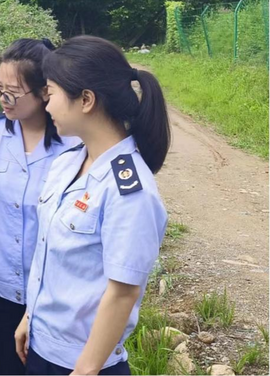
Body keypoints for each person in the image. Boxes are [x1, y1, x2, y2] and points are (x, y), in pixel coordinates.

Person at [14, 35, 171, 375]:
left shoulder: (130, 191)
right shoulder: (68, 162)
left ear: (85, 100)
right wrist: (31, 316)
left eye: (51, 92)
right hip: (42, 347)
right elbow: (52, 255)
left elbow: (123, 293)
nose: (47, 104)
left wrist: (85, 369)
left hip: (83, 365)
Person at [0, 38, 80, 375]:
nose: (3, 99)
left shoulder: (73, 146)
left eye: (12, 92)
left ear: (45, 92)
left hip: (55, 294)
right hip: (2, 286)